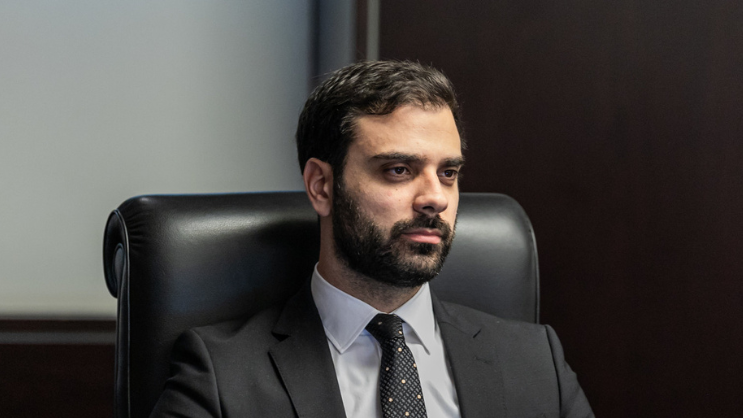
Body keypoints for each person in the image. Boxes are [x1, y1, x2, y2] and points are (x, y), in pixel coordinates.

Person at [150, 61, 594, 418]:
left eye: (448, 173)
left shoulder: (535, 362)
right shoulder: (221, 375)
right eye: (398, 170)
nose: (436, 198)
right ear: (322, 186)